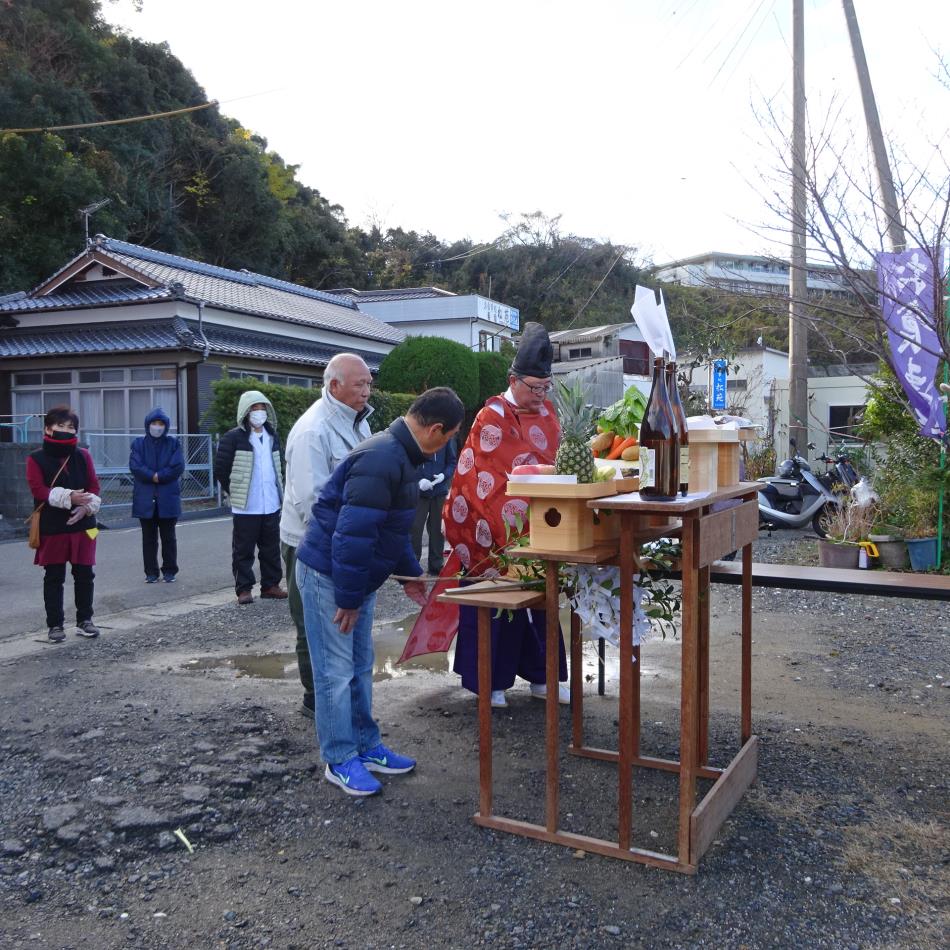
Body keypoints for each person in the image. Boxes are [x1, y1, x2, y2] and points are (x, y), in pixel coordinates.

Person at [296, 386, 464, 797]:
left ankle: (366, 746)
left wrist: (409, 574)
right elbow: (351, 537)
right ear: (436, 429)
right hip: (329, 576)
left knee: (359, 665)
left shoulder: (402, 456)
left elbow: (389, 530)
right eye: (447, 439)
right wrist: (349, 599)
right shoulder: (381, 458)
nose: (444, 448)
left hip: (355, 576)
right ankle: (339, 758)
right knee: (335, 673)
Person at [403, 322, 567, 709]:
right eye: (534, 387)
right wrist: (500, 529)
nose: (540, 396)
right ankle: (490, 683)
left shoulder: (547, 414)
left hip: (539, 524)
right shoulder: (490, 415)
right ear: (513, 380)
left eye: (545, 388)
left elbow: (555, 462)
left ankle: (544, 677)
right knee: (493, 605)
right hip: (486, 527)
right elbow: (480, 477)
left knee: (542, 604)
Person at [280, 353, 374, 719]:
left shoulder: (359, 424)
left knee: (342, 625)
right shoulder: (312, 431)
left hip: (345, 541)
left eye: (368, 383)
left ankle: (342, 700)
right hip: (310, 542)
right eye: (359, 384)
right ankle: (315, 699)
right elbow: (312, 502)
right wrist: (346, 544)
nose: (367, 390)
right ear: (334, 386)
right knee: (312, 624)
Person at [26, 406, 103, 642]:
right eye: (61, 426)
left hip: (85, 524)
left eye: (71, 427)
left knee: (85, 574)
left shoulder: (83, 455)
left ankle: (85, 620)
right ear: (48, 428)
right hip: (53, 525)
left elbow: (94, 486)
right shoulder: (35, 458)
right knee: (54, 577)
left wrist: (84, 507)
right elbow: (38, 490)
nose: (66, 431)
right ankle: (55, 626)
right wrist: (69, 497)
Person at [213, 389, 288, 605]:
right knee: (243, 550)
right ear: (245, 412)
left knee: (271, 548)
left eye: (262, 408)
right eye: (254, 409)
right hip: (246, 505)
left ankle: (271, 586)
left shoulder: (273, 436)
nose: (259, 413)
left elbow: (279, 466)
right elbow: (221, 469)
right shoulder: (233, 437)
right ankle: (244, 589)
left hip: (271, 502)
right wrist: (234, 491)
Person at [129, 407, 185, 583]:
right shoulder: (138, 444)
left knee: (169, 537)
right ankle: (151, 573)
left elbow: (177, 467)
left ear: (166, 426)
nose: (157, 427)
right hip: (145, 499)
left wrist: (157, 476)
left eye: (161, 423)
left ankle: (170, 571)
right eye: (154, 423)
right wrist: (153, 475)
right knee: (148, 539)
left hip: (168, 498)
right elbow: (135, 466)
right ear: (148, 424)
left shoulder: (173, 444)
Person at [411, 435, 458, 575]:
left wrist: (444, 476)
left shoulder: (446, 437)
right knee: (415, 527)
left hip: (440, 491)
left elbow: (451, 462)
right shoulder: (416, 435)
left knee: (438, 529)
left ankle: (436, 565)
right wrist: (418, 480)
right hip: (419, 492)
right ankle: (412, 565)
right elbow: (408, 461)